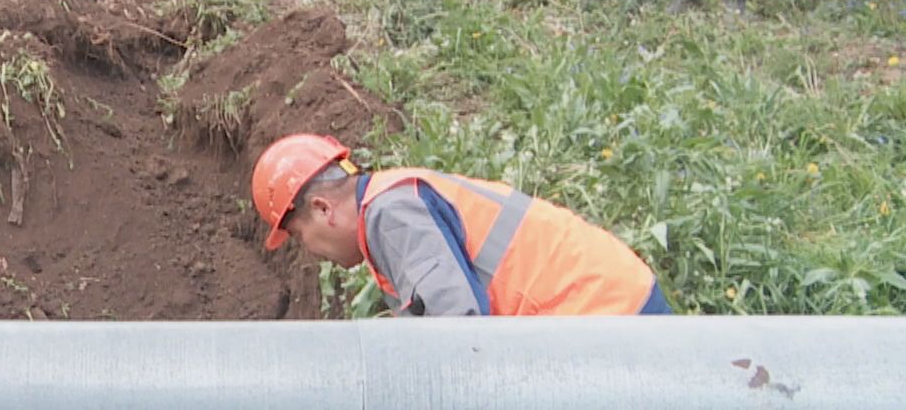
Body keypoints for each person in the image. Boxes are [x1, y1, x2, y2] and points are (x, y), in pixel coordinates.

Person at [253, 134, 672, 317]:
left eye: (297, 234)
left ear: (324, 208)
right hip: (606, 306)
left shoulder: (390, 215)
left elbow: (458, 337)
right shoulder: (394, 201)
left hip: (604, 316)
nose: (307, 249)